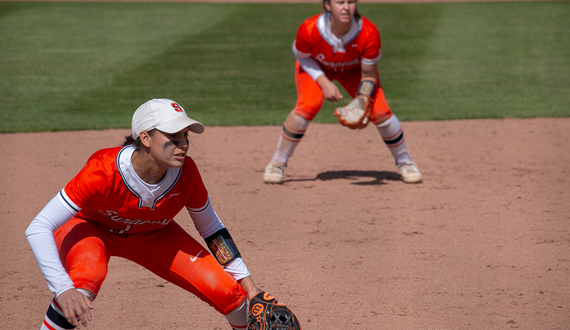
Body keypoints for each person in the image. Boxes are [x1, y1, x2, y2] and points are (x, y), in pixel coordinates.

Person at [26, 98, 261, 330]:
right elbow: (39, 226)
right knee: (83, 285)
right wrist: (62, 288)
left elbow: (213, 231)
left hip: (152, 234)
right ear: (145, 138)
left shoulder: (187, 173)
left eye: (185, 136)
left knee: (231, 295)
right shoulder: (103, 170)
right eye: (173, 137)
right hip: (91, 228)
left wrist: (251, 289)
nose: (183, 144)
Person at [263, 0, 423, 184]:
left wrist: (363, 99)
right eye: (340, 2)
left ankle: (405, 162)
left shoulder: (368, 32)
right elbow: (302, 57)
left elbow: (369, 74)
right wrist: (323, 82)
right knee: (308, 105)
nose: (346, 7)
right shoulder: (309, 29)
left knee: (380, 111)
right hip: (314, 67)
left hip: (353, 70)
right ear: (328, 5)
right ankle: (277, 163)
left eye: (351, 2)